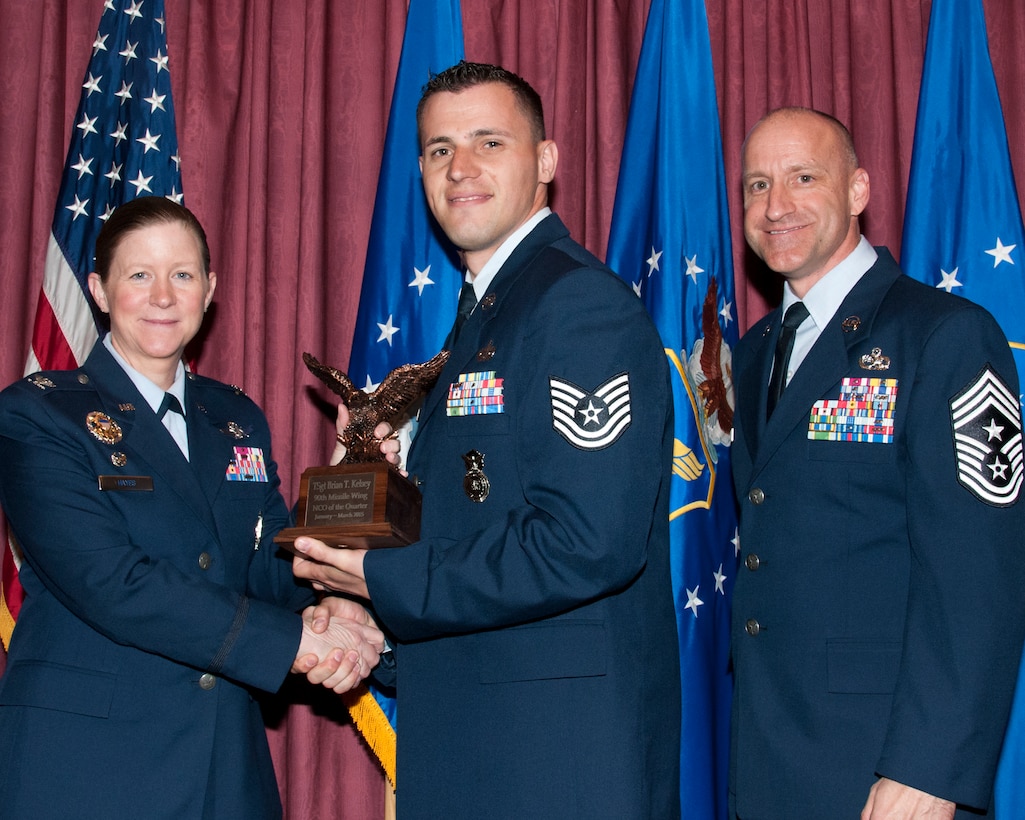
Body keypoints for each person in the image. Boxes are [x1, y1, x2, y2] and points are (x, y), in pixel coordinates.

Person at [293, 61, 682, 819]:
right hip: (488, 751)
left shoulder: (574, 306)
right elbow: (473, 531)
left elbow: (586, 540)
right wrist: (372, 625)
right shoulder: (487, 317)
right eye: (439, 149)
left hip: (556, 766)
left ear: (544, 161)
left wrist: (385, 582)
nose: (460, 168)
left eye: (487, 141)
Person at [0, 196, 384, 819]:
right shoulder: (37, 415)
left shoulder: (235, 418)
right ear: (98, 290)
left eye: (182, 275)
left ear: (210, 290)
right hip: (86, 768)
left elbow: (267, 568)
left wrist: (333, 591)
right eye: (138, 275)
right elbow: (112, 583)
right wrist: (295, 643)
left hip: (224, 771)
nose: (162, 296)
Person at [730, 107, 1025, 818]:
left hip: (887, 767)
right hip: (768, 753)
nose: (776, 207)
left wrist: (932, 770)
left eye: (804, 178)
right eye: (756, 185)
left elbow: (978, 575)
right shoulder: (754, 349)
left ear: (858, 190)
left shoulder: (946, 337)